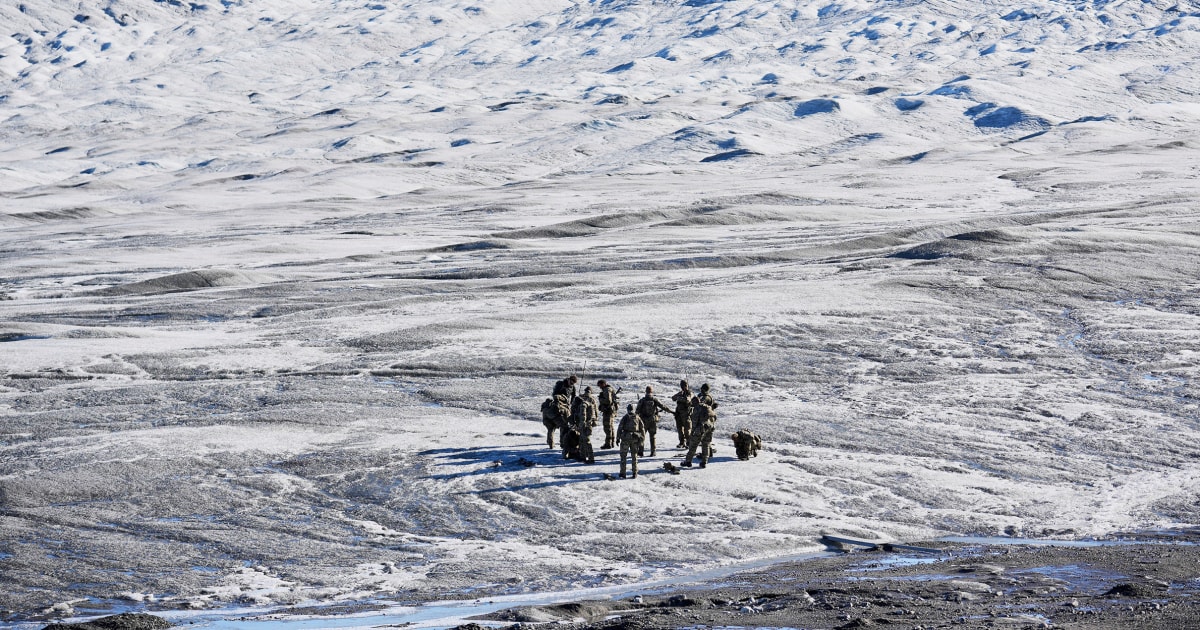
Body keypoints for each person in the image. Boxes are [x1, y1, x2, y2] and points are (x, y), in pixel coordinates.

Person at [682, 384, 718, 468]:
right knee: (706, 444)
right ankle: (704, 462)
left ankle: (688, 461)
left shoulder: (697, 409)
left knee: (693, 444)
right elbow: (714, 415)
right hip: (709, 426)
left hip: (700, 428)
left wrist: (691, 435)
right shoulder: (707, 406)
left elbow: (694, 424)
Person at [635, 386, 671, 457]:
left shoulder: (642, 400)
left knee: (641, 436)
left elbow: (637, 411)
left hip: (643, 421)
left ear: (646, 391)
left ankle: (640, 451)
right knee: (653, 436)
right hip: (653, 421)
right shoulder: (654, 399)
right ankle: (653, 451)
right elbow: (663, 406)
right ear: (652, 391)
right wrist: (671, 411)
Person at [571, 386, 599, 464]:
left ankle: (591, 458)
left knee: (586, 440)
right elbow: (595, 412)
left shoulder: (582, 402)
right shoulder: (591, 399)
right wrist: (595, 421)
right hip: (588, 423)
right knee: (582, 440)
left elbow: (582, 415)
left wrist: (581, 424)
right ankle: (583, 457)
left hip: (584, 424)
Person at [616, 403, 644, 479]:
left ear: (627, 409)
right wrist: (642, 439)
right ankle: (635, 473)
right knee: (634, 456)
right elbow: (642, 429)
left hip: (625, 439)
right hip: (635, 439)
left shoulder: (625, 417)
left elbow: (620, 428)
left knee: (623, 456)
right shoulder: (638, 417)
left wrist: (618, 438)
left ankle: (623, 473)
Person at [597, 379, 620, 449]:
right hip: (611, 411)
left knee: (607, 427)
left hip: (608, 411)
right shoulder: (609, 389)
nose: (599, 387)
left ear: (603, 384)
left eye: (600, 385)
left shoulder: (607, 390)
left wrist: (601, 399)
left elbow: (608, 401)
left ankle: (608, 443)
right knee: (610, 427)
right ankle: (611, 442)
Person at [670, 380, 693, 448]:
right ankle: (682, 442)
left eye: (684, 386)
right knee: (680, 429)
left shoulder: (690, 393)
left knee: (687, 430)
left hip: (686, 414)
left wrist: (679, 398)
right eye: (682, 386)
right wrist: (679, 395)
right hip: (679, 414)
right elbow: (673, 398)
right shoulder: (681, 393)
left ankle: (688, 443)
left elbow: (687, 400)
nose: (683, 387)